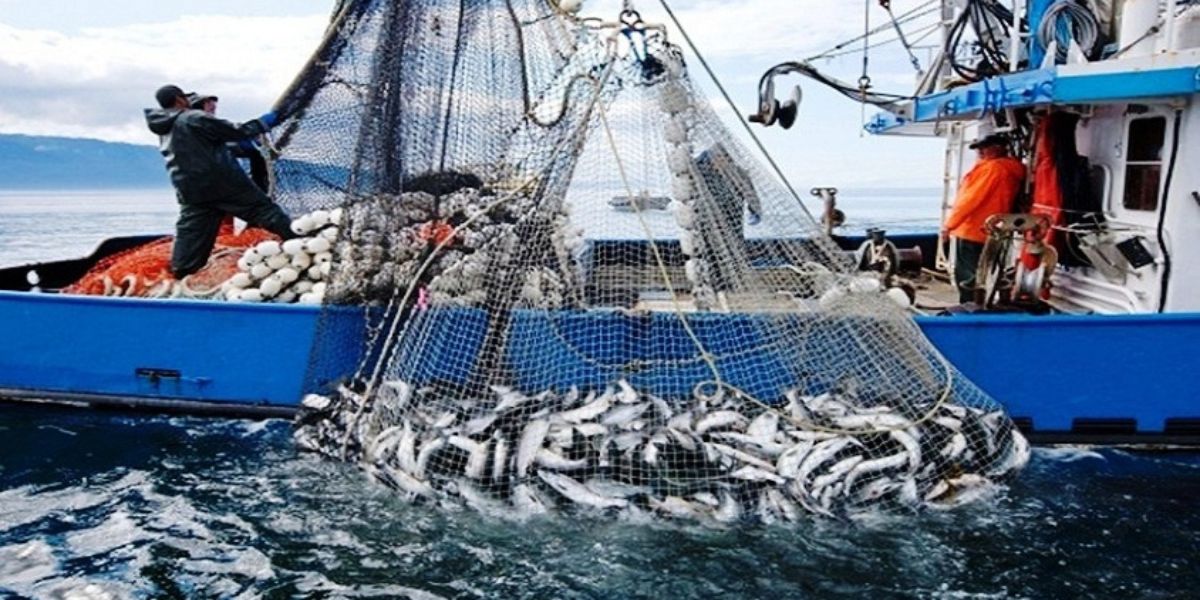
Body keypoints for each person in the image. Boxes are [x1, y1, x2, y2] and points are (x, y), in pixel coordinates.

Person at [145, 84, 294, 278]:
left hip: (190, 192)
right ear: (180, 99)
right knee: (265, 211)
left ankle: (181, 275)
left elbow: (208, 147)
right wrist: (267, 121)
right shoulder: (193, 117)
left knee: (190, 237)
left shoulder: (164, 128)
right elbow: (239, 131)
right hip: (225, 185)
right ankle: (303, 241)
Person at [943, 133, 1026, 303]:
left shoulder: (991, 169)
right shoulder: (1012, 169)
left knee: (968, 275)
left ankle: (970, 307)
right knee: (988, 271)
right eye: (979, 149)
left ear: (998, 148)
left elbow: (970, 200)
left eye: (984, 148)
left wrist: (949, 225)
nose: (980, 152)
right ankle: (984, 303)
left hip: (972, 229)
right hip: (995, 231)